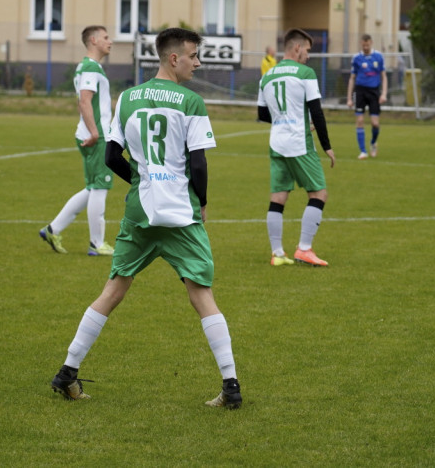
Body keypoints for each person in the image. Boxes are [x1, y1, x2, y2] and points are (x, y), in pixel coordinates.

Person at [50, 27, 243, 409]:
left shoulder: (127, 99)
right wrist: (201, 201)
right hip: (180, 212)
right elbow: (198, 162)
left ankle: (66, 373)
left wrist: (140, 180)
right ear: (174, 58)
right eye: (193, 55)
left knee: (114, 289)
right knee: (201, 294)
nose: (198, 62)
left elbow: (110, 157)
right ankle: (231, 386)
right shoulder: (191, 101)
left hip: (141, 209)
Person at [257, 28, 335, 267]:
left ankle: (277, 253)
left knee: (278, 197)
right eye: (308, 50)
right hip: (299, 144)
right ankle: (304, 249)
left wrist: (284, 120)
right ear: (297, 48)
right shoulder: (305, 73)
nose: (308, 56)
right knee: (319, 193)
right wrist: (327, 146)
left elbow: (262, 114)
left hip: (276, 143)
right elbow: (317, 111)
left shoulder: (267, 76)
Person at [38, 26, 116, 256]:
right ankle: (97, 243)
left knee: (93, 187)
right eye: (105, 37)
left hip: (90, 133)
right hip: (96, 135)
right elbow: (84, 101)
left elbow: (83, 101)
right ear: (93, 40)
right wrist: (94, 132)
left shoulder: (86, 66)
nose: (110, 41)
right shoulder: (91, 68)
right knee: (101, 186)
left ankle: (53, 229)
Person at [346, 34, 387, 160]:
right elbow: (352, 78)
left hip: (374, 92)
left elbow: (384, 76)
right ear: (361, 43)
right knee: (359, 121)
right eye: (363, 45)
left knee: (375, 123)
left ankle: (373, 142)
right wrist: (349, 98)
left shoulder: (378, 56)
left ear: (371, 43)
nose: (365, 47)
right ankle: (363, 151)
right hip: (360, 91)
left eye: (367, 45)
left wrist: (384, 93)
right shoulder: (356, 58)